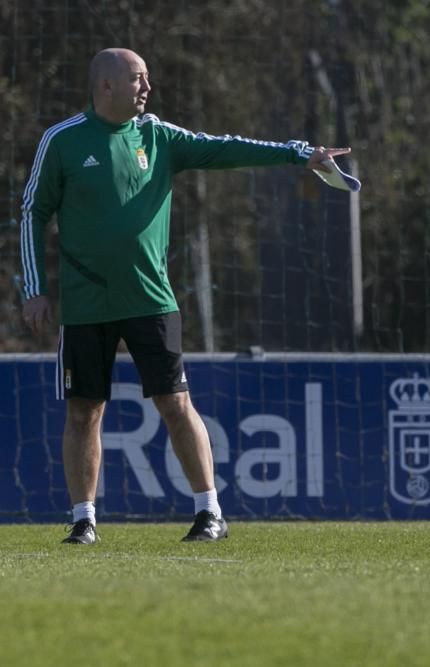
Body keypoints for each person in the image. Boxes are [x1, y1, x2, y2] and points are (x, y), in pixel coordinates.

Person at [19, 47, 352, 545]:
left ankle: (209, 512)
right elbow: (31, 213)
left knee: (175, 403)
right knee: (84, 411)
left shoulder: (159, 137)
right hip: (86, 306)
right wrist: (34, 289)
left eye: (147, 78)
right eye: (138, 78)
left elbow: (227, 147)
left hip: (152, 300)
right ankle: (83, 519)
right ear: (106, 85)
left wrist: (299, 153)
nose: (147, 88)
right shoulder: (62, 141)